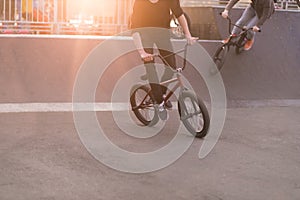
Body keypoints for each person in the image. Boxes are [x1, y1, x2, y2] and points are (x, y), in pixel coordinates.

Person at [130, 0, 197, 119]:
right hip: (145, 36)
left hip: (163, 35)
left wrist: (188, 35)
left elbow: (179, 14)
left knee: (171, 68)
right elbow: (135, 29)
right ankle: (159, 102)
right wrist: (142, 52)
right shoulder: (140, 2)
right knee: (150, 67)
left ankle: (161, 93)